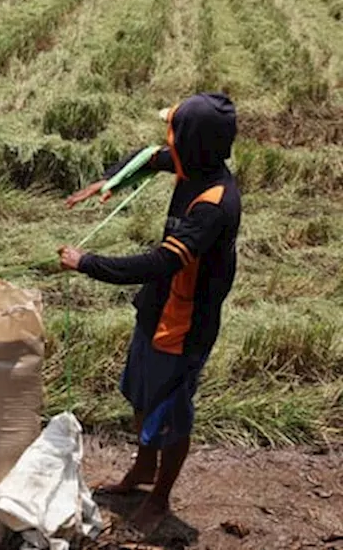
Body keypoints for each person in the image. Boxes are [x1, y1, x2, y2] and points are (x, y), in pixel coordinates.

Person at [58, 93, 241, 534]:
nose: (167, 143)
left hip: (184, 323)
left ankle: (160, 498)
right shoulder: (192, 163)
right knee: (140, 394)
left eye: (174, 134)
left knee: (171, 414)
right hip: (157, 306)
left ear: (193, 144)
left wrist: (89, 263)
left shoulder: (214, 204)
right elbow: (144, 158)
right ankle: (142, 470)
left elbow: (162, 262)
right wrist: (108, 183)